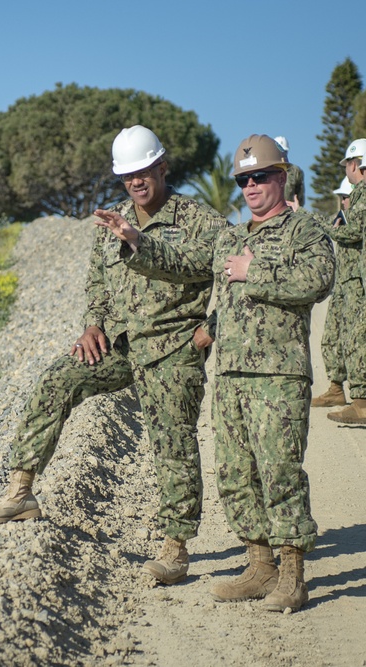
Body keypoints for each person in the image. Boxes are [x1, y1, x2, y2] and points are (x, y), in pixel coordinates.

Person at [0, 125, 227, 588]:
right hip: (123, 345)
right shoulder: (115, 220)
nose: (136, 182)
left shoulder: (198, 219)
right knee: (58, 379)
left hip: (172, 348)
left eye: (143, 171)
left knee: (173, 444)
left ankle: (176, 548)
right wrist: (93, 324)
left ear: (162, 167)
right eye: (127, 174)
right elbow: (98, 283)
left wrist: (211, 329)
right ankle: (21, 491)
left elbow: (231, 272)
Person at [94, 134, 336, 612]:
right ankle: (260, 564)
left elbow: (318, 280)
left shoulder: (303, 231)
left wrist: (255, 272)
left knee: (279, 472)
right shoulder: (231, 236)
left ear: (282, 177)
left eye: (260, 176)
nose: (251, 186)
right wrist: (136, 240)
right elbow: (184, 263)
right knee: (236, 474)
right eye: (243, 180)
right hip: (228, 376)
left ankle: (292, 575)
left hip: (277, 376)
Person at [326, 138, 366, 424]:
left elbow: (355, 232)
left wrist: (329, 229)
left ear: (355, 165)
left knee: (356, 339)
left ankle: (362, 403)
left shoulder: (363, 192)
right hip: (354, 278)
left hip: (358, 281)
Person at [311, 175, 359, 408]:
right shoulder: (344, 219)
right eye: (341, 198)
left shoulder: (357, 220)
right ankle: (335, 388)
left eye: (346, 197)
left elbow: (340, 232)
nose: (343, 202)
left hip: (356, 286)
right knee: (331, 336)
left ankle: (360, 397)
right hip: (342, 286)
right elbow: (331, 227)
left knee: (355, 341)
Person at [273, 136, 305, 210]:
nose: (282, 154)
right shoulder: (265, 170)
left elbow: (300, 197)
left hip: (290, 213)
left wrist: (298, 209)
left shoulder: (296, 171)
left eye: (284, 152)